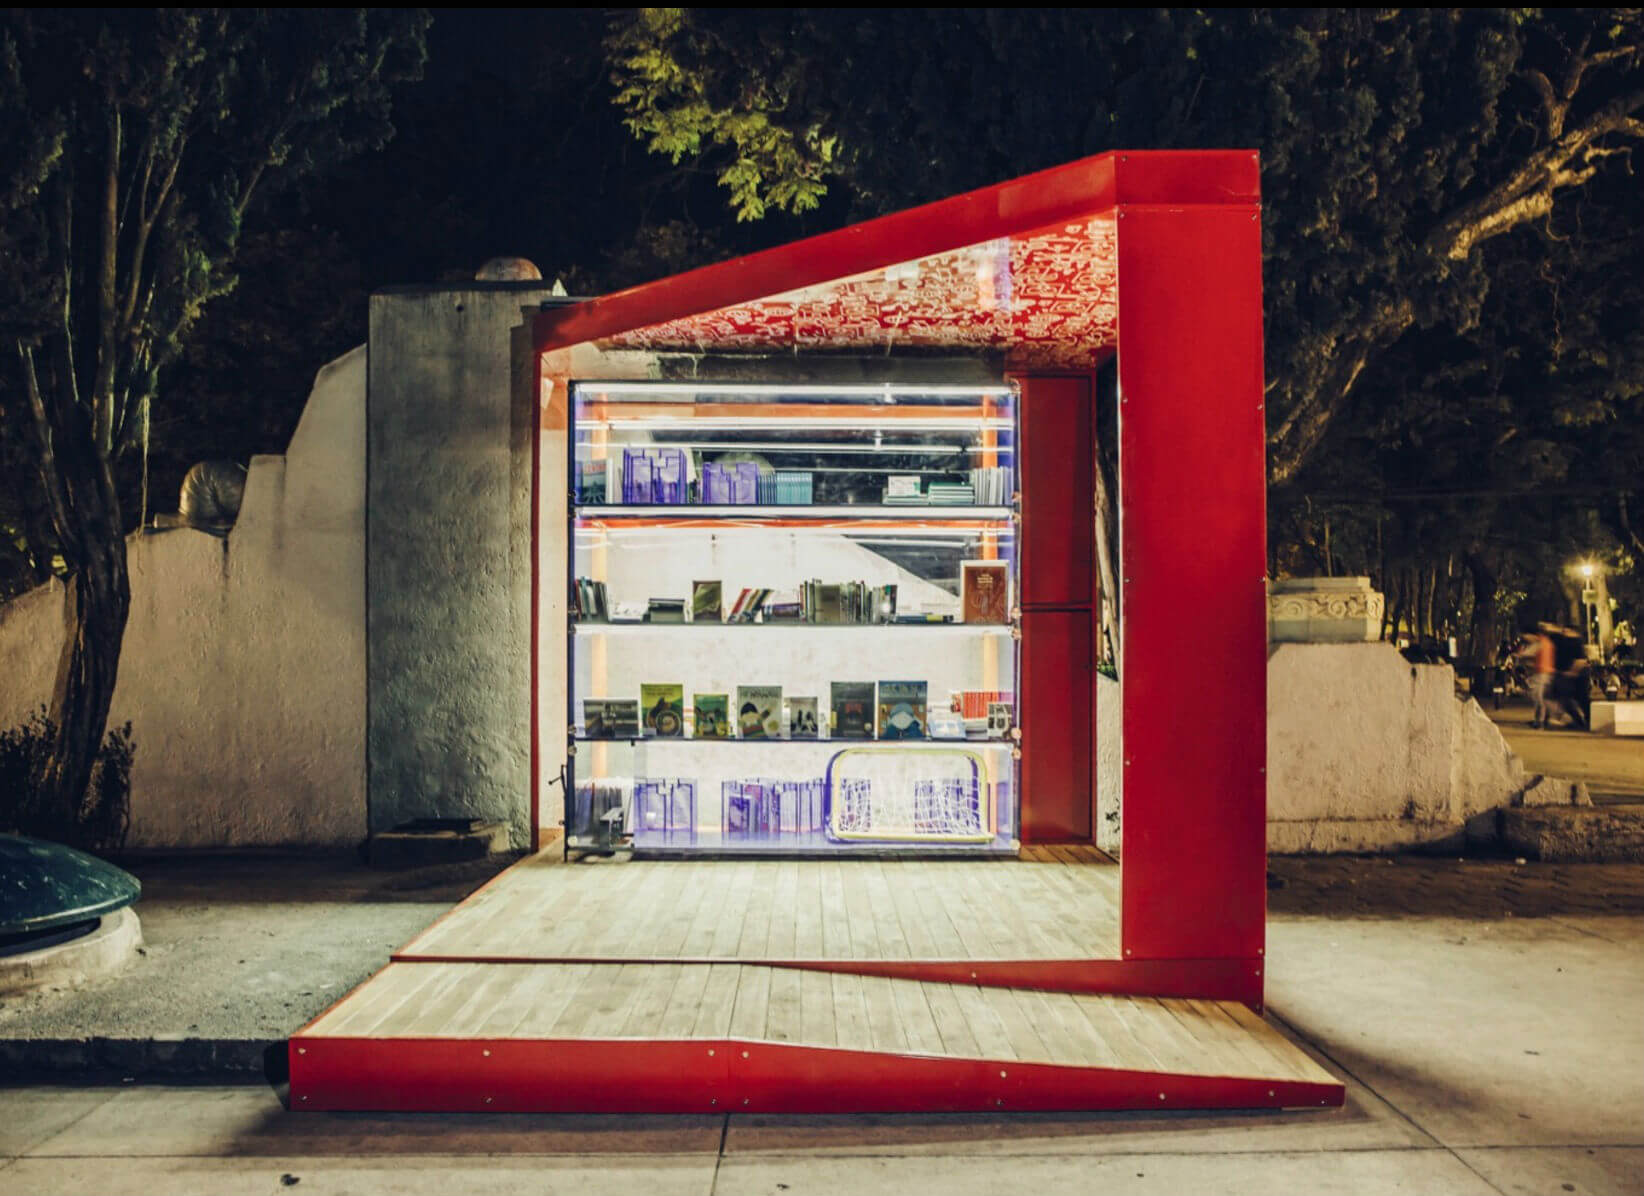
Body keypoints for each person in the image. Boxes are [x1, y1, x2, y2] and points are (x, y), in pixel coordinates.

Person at [1550, 624, 1589, 730]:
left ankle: (1585, 721)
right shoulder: (1567, 641)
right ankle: (1580, 721)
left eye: (1567, 631)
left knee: (1580, 698)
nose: (1564, 632)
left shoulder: (1576, 642)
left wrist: (1572, 672)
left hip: (1576, 675)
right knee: (1565, 698)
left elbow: (1581, 660)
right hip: (1568, 674)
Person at [1519, 625, 1557, 729]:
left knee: (1538, 698)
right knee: (1543, 697)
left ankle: (1539, 721)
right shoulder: (1550, 643)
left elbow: (1526, 654)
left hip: (1540, 673)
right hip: (1549, 673)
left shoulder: (1539, 643)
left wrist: (1519, 655)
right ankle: (1543, 719)